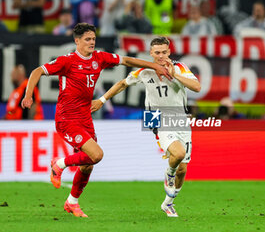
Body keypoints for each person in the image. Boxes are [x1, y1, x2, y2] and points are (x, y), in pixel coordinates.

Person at [21, 23, 171, 218]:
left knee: (88, 164)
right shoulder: (67, 61)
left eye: (93, 39)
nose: (92, 42)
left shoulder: (99, 58)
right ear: (77, 41)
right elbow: (37, 71)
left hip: (85, 117)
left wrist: (154, 66)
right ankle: (59, 163)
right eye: (87, 39)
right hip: (67, 118)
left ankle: (72, 202)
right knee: (97, 154)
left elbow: (127, 60)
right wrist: (29, 95)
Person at [90, 36, 201, 217]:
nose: (161, 56)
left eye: (164, 52)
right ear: (151, 53)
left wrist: (175, 75)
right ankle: (169, 173)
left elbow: (196, 87)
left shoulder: (179, 68)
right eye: (157, 53)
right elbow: (122, 84)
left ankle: (168, 203)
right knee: (178, 155)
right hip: (156, 117)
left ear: (169, 52)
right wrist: (102, 100)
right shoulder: (144, 71)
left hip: (180, 118)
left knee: (183, 169)